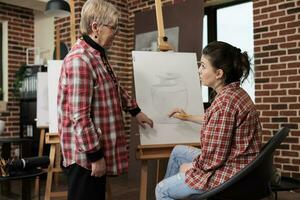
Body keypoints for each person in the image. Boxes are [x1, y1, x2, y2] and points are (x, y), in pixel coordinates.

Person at [57, 0, 153, 199]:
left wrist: (135, 111)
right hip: (84, 157)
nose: (116, 34)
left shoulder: (96, 54)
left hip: (91, 152)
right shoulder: (80, 60)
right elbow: (80, 117)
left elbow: (114, 86)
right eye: (113, 28)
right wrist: (95, 156)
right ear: (95, 27)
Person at [155, 41, 262, 199]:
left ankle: (170, 192)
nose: (199, 70)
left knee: (162, 189)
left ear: (218, 73)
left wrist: (191, 167)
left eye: (203, 66)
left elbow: (213, 159)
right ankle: (176, 191)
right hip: (239, 164)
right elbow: (214, 120)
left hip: (229, 172)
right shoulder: (235, 93)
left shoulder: (224, 105)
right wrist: (186, 117)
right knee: (178, 151)